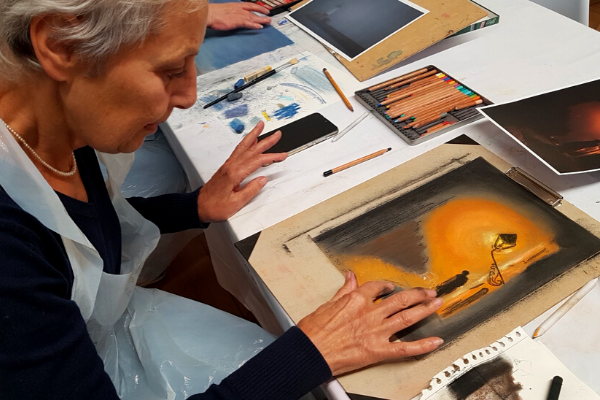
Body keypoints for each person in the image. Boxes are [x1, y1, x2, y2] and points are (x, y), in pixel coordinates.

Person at [0, 1, 444, 399]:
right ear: (60, 44)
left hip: (100, 327)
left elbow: (83, 225)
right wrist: (311, 354)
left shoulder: (54, 128)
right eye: (171, 70)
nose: (189, 96)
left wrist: (194, 207)